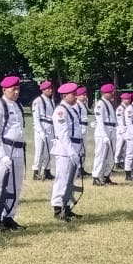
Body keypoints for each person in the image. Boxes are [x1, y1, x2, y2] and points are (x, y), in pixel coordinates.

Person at [0, 76, 27, 233]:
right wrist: (2, 155)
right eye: (13, 89)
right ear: (4, 90)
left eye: (18, 89)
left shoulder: (17, 106)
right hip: (4, 149)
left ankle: (8, 216)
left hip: (17, 150)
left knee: (15, 186)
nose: (16, 92)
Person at [51, 83, 84, 221]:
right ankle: (58, 209)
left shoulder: (72, 109)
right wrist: (71, 151)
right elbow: (63, 134)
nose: (76, 96)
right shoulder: (60, 111)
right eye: (73, 94)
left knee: (70, 180)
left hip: (74, 147)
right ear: (65, 96)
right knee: (62, 179)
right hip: (65, 150)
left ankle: (67, 207)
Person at [92, 84, 118, 186]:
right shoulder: (100, 104)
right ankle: (96, 176)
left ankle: (106, 175)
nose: (112, 93)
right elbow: (100, 121)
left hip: (111, 129)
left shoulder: (109, 103)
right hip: (103, 131)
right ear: (104, 93)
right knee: (101, 155)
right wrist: (104, 135)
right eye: (110, 92)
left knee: (111, 155)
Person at [30, 80, 56, 181]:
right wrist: (40, 131)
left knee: (49, 151)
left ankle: (47, 170)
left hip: (50, 127)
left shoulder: (51, 101)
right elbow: (36, 118)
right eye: (48, 88)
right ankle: (36, 171)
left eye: (51, 88)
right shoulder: (38, 101)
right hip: (42, 126)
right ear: (43, 90)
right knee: (40, 151)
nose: (50, 90)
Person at [118, 91, 133, 181]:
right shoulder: (130, 108)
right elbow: (128, 123)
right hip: (130, 133)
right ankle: (127, 173)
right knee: (129, 154)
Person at [74, 87, 90, 176]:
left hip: (84, 127)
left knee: (84, 150)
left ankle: (82, 168)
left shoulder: (82, 104)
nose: (85, 96)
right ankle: (78, 169)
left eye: (85, 94)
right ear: (77, 96)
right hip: (80, 127)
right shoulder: (76, 105)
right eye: (83, 95)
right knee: (80, 150)